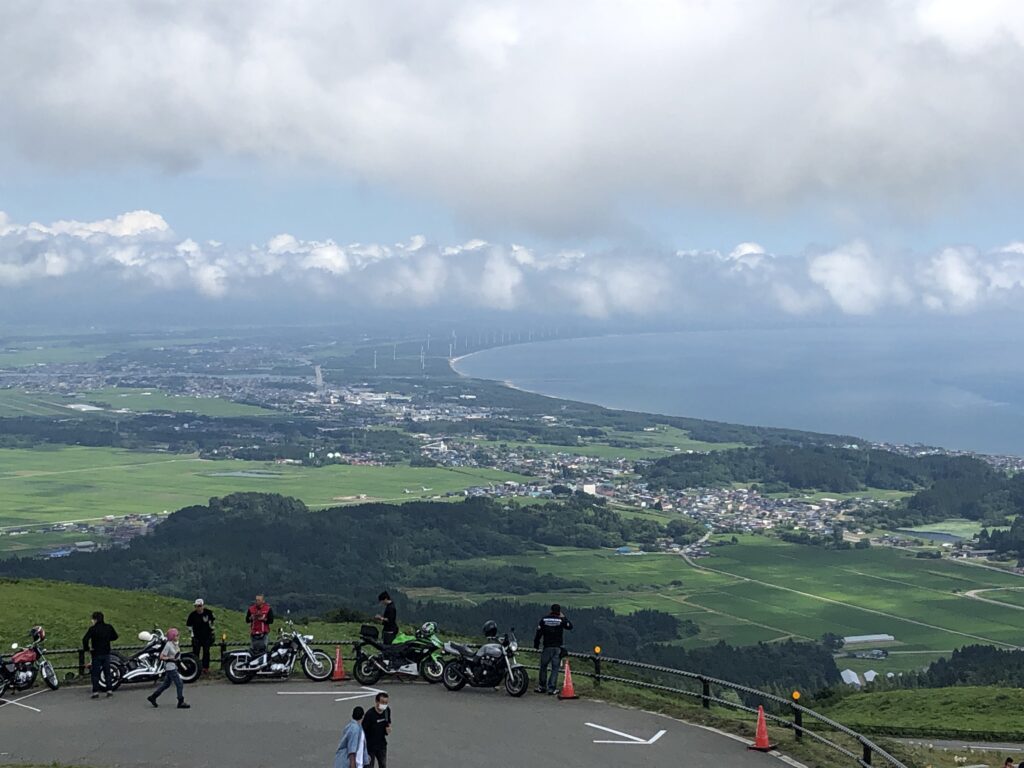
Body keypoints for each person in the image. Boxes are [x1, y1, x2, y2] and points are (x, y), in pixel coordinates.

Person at [534, 603, 573, 695]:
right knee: (555, 668)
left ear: (551, 610)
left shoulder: (544, 619)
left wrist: (536, 644)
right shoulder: (560, 620)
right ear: (559, 612)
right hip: (557, 648)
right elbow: (570, 626)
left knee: (543, 667)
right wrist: (564, 617)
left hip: (547, 647)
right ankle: (551, 688)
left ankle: (542, 686)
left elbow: (538, 633)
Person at [147, 627, 190, 709]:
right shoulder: (168, 645)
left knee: (166, 684)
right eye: (176, 635)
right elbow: (162, 656)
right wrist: (170, 659)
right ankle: (180, 701)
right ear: (172, 636)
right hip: (171, 667)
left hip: (174, 666)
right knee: (179, 683)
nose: (178, 636)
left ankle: (153, 697)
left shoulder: (175, 644)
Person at [82, 611, 118, 699]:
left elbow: (85, 639)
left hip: (96, 653)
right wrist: (107, 639)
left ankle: (95, 692)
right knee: (107, 672)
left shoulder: (92, 629)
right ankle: (109, 690)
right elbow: (115, 636)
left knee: (95, 674)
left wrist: (87, 648)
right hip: (106, 652)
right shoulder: (108, 627)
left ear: (95, 619)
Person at [186, 598, 216, 674]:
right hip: (197, 637)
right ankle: (195, 667)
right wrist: (192, 635)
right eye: (196, 606)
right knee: (196, 653)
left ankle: (205, 668)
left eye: (199, 606)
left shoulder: (208, 613)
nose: (198, 608)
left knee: (206, 652)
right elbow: (189, 625)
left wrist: (212, 631)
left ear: (203, 606)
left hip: (207, 636)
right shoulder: (192, 615)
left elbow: (212, 621)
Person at [362, 692, 391, 768]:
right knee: (369, 766)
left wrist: (388, 729)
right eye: (382, 702)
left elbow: (388, 723)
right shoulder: (369, 714)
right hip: (370, 746)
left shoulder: (387, 711)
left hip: (382, 745)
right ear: (377, 701)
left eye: (386, 703)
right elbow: (363, 730)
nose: (384, 705)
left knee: (383, 764)